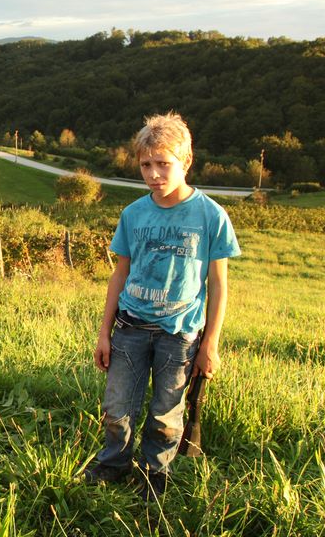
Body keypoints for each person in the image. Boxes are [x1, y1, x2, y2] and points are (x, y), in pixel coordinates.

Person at [84, 111, 241, 501]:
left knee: (166, 411)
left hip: (181, 335)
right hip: (130, 327)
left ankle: (156, 471)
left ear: (186, 162)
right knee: (117, 405)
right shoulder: (133, 214)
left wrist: (210, 344)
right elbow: (120, 275)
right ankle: (114, 462)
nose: (154, 174)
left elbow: (218, 285)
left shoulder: (211, 217)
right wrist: (104, 332)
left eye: (163, 164)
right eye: (146, 165)